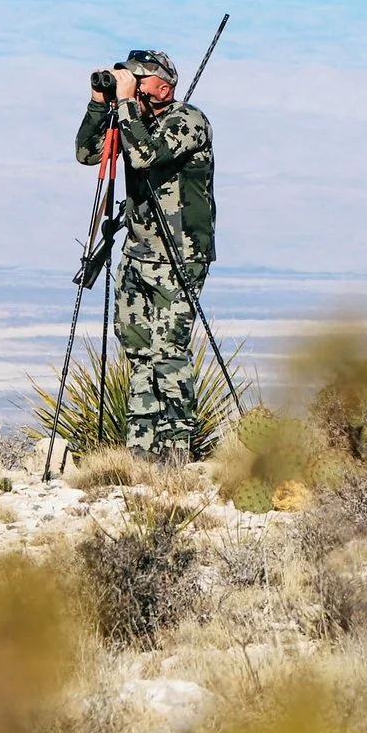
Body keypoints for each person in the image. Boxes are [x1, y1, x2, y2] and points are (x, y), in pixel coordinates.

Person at [74, 50, 216, 462]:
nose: (131, 85)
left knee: (168, 349)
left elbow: (145, 155)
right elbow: (87, 153)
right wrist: (100, 105)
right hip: (138, 253)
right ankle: (140, 449)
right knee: (137, 351)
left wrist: (124, 107)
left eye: (138, 79)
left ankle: (175, 451)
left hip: (180, 255)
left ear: (163, 86)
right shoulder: (134, 120)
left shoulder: (189, 121)